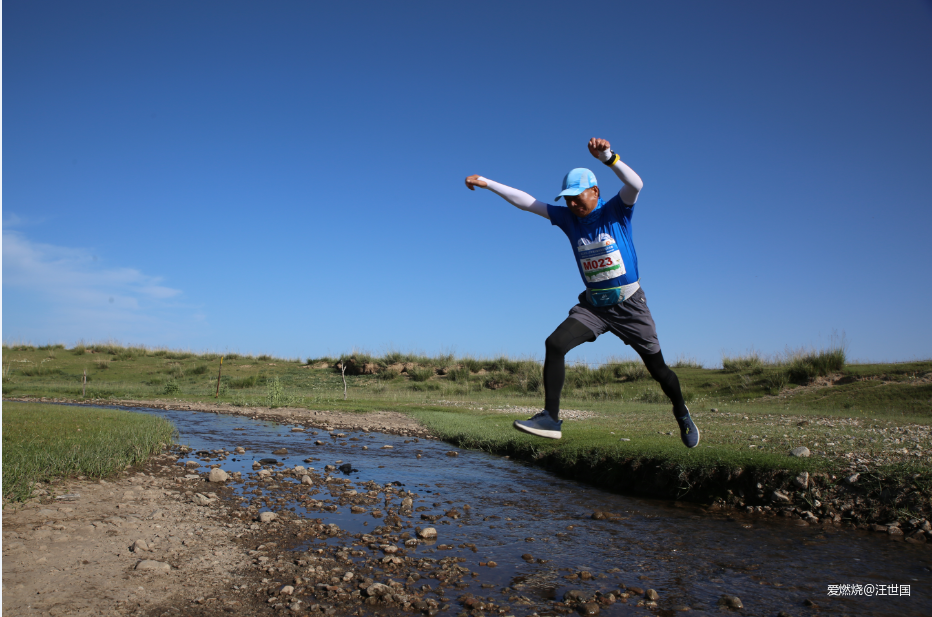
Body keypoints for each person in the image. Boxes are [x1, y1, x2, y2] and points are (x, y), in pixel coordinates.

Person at [464, 138, 699, 448]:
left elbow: (636, 184)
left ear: (595, 192)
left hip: (630, 305)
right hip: (595, 307)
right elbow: (527, 202)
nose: (572, 205)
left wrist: (608, 157)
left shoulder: (616, 211)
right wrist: (488, 183)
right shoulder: (567, 219)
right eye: (568, 200)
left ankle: (681, 412)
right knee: (555, 344)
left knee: (658, 369)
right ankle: (550, 418)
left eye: (577, 198)